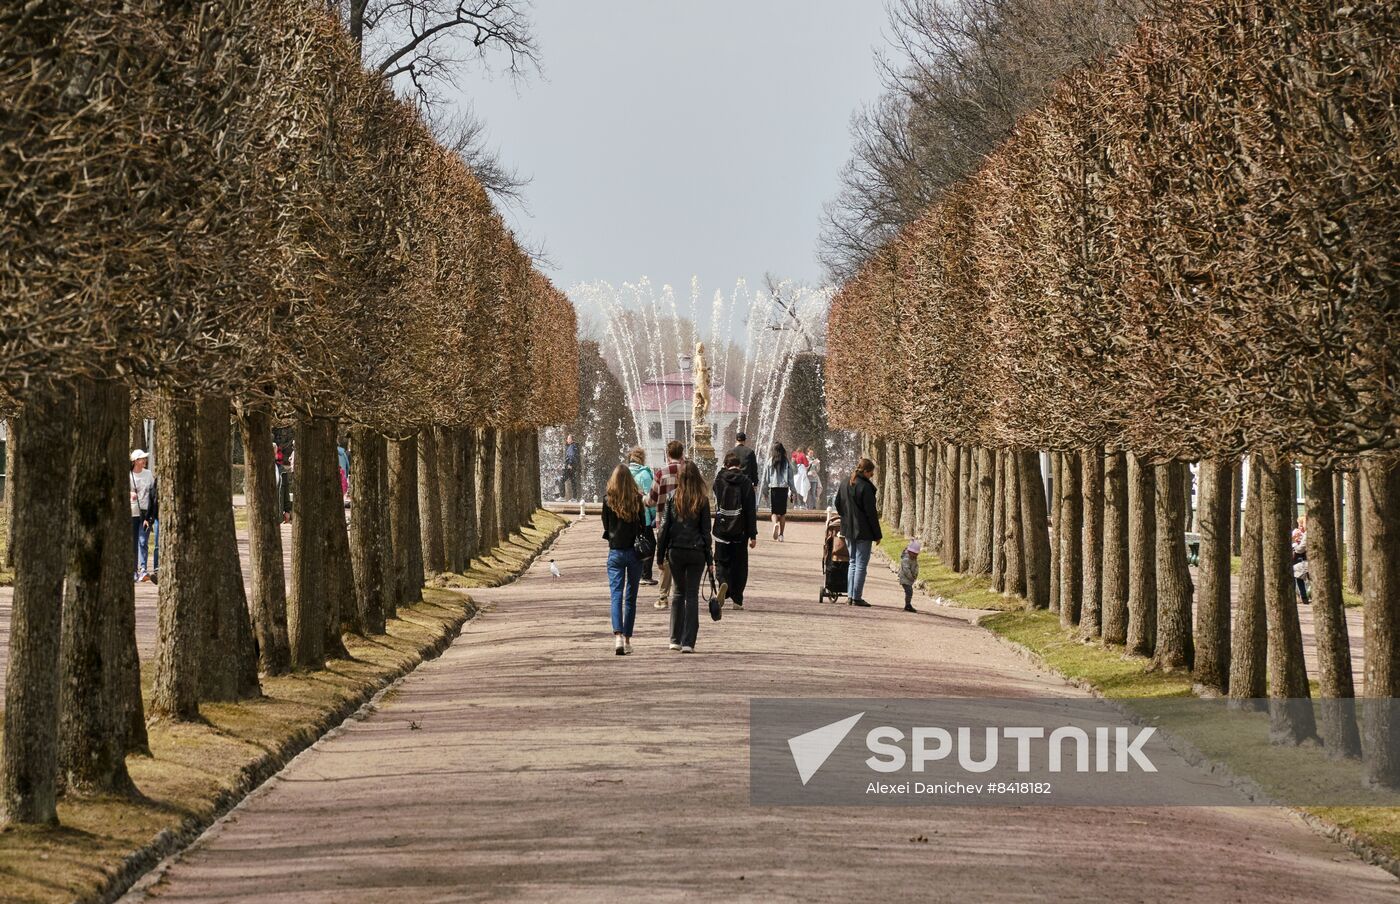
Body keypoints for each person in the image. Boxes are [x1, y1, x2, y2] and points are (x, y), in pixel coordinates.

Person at [656, 461, 713, 653]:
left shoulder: (673, 497)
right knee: (692, 594)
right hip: (696, 551)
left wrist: (659, 555)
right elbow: (706, 533)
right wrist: (710, 559)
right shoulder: (702, 499)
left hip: (676, 551)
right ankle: (688, 641)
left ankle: (674, 639)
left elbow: (663, 528)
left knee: (678, 593)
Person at [602, 463, 646, 655]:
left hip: (616, 552)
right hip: (634, 553)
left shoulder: (608, 501)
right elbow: (643, 526)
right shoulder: (637, 500)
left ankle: (618, 636)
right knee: (631, 597)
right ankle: (628, 639)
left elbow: (606, 525)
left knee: (616, 594)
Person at [712, 451, 758, 609]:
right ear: (740, 466)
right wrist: (753, 535)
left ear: (725, 465)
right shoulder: (746, 482)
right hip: (741, 530)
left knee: (720, 561)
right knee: (739, 564)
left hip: (721, 529)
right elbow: (751, 511)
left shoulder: (719, 479)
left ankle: (723, 584)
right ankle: (737, 600)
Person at [645, 439, 687, 609]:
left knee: (664, 556)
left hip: (663, 520)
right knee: (682, 555)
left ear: (668, 455)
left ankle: (663, 596)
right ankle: (680, 594)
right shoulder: (687, 471)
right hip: (685, 521)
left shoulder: (661, 473)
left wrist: (642, 499)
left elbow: (652, 500)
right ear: (681, 453)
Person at [835, 457, 881, 607]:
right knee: (861, 564)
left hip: (848, 529)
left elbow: (837, 503)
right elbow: (871, 513)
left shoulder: (844, 483)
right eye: (871, 473)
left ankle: (850, 595)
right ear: (866, 472)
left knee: (852, 563)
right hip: (863, 531)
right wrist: (877, 534)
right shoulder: (865, 487)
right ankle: (856, 596)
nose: (872, 476)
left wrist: (845, 517)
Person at [627, 447, 658, 585]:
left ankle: (634, 574)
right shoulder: (644, 474)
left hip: (627, 515)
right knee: (649, 544)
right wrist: (653, 516)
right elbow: (649, 498)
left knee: (633, 543)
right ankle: (645, 575)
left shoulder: (625, 472)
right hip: (643, 516)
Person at [130, 449, 156, 582]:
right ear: (135, 461)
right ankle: (133, 571)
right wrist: (130, 494)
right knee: (133, 542)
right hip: (133, 513)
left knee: (143, 541)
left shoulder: (148, 474)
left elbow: (153, 493)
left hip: (146, 514)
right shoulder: (129, 475)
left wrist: (151, 514)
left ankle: (143, 569)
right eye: (142, 459)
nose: (144, 461)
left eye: (145, 459)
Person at [767, 442, 791, 541]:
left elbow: (767, 477)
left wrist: (765, 489)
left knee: (773, 512)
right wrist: (792, 490)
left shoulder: (770, 461)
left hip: (774, 488)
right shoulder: (786, 462)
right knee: (782, 513)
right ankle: (781, 535)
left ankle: (775, 524)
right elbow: (790, 477)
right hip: (783, 488)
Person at [897, 538, 921, 613]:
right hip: (905, 579)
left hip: (910, 578)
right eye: (913, 554)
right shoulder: (906, 559)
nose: (915, 556)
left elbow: (916, 566)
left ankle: (908, 604)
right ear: (909, 551)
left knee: (909, 591)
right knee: (909, 591)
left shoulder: (913, 559)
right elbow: (906, 570)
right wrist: (911, 577)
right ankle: (908, 605)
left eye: (916, 554)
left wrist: (915, 574)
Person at [1291, 515, 1310, 605]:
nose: (1299, 527)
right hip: (1303, 559)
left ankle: (1303, 596)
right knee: (1298, 574)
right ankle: (1303, 596)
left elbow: (1300, 549)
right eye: (1299, 525)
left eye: (1301, 525)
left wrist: (1295, 544)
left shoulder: (1307, 534)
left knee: (1296, 572)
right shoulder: (1302, 534)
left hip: (1307, 560)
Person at [562, 434, 580, 501]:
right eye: (567, 438)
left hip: (570, 467)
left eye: (568, 438)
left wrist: (570, 464)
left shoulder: (572, 446)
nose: (567, 440)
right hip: (573, 466)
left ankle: (562, 496)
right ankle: (574, 498)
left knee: (561, 479)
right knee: (573, 481)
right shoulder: (573, 446)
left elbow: (571, 456)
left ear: (572, 440)